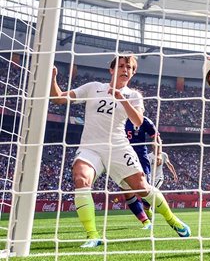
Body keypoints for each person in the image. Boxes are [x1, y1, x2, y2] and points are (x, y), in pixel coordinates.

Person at [50, 56, 190, 248]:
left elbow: (139, 121)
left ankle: (172, 219)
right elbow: (58, 98)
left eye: (129, 67)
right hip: (90, 148)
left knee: (142, 187)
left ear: (133, 73)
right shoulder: (93, 87)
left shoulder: (134, 95)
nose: (125, 69)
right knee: (81, 179)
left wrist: (122, 99)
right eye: (122, 66)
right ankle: (93, 236)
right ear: (112, 69)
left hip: (118, 147)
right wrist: (52, 78)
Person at [124, 116, 162, 228]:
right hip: (123, 158)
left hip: (141, 158)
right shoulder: (118, 118)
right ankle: (145, 220)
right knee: (127, 191)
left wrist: (158, 153)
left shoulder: (143, 120)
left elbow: (156, 137)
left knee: (146, 188)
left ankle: (147, 207)